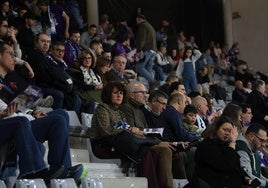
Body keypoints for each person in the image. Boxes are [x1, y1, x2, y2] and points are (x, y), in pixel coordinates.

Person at [0, 41, 83, 184]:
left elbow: (13, 109)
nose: (14, 58)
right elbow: (6, 112)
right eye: (11, 54)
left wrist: (31, 114)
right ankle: (33, 171)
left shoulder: (9, 81)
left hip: (15, 122)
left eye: (15, 55)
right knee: (22, 121)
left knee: (60, 115)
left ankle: (61, 170)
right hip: (7, 125)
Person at [191, 116, 246, 188]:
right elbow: (225, 165)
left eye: (230, 131)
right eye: (225, 130)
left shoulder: (227, 146)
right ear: (216, 129)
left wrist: (245, 178)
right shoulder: (207, 145)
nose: (227, 133)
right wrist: (232, 142)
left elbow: (235, 168)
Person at [236, 123, 268, 187]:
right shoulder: (241, 148)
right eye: (261, 140)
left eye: (265, 141)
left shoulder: (253, 149)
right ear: (251, 136)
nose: (264, 144)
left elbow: (258, 175)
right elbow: (248, 176)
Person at [135, 14, 158, 90]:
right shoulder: (150, 26)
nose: (136, 21)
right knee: (148, 70)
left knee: (139, 67)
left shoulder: (143, 26)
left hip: (147, 50)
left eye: (137, 19)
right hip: (153, 50)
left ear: (139, 19)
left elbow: (142, 39)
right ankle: (151, 88)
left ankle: (153, 82)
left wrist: (138, 51)